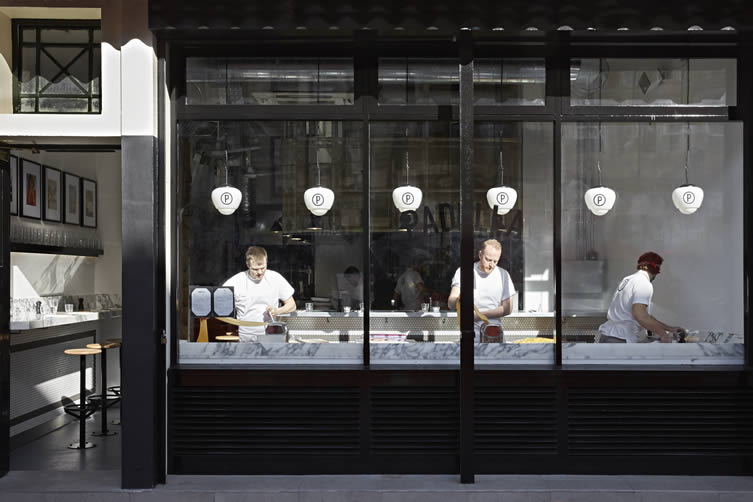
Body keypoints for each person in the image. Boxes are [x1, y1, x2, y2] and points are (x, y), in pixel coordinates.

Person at [598, 251, 684, 343]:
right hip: (620, 339)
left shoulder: (628, 279)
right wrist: (663, 334)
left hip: (609, 335)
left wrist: (669, 329)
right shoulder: (644, 283)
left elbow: (645, 316)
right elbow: (639, 315)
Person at [222, 246, 296, 342]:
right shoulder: (236, 281)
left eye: (263, 268)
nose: (260, 272)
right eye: (255, 269)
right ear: (248, 264)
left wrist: (277, 311)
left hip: (271, 333)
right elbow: (218, 302)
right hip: (246, 335)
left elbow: (292, 305)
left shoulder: (275, 278)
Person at [447, 239, 516, 341]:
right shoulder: (464, 271)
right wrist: (459, 299)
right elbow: (451, 303)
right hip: (470, 334)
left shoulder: (503, 275)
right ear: (480, 255)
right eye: (488, 260)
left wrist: (479, 316)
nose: (491, 265)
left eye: (495, 261)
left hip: (495, 333)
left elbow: (508, 308)